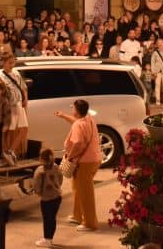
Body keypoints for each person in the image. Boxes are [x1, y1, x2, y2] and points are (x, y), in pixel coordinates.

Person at [57, 98, 102, 233]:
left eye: (73, 109)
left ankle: (89, 223)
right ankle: (77, 215)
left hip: (84, 162)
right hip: (94, 159)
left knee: (85, 193)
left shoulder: (78, 125)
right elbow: (76, 122)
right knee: (78, 188)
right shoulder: (88, 119)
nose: (72, 110)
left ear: (76, 111)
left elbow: (78, 143)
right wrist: (64, 116)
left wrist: (69, 156)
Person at [0, 50, 29, 164]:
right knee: (9, 131)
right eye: (9, 63)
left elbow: (23, 87)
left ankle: (11, 151)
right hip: (9, 106)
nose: (12, 65)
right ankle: (5, 154)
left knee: (24, 129)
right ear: (4, 63)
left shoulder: (16, 72)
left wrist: (25, 99)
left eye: (13, 62)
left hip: (19, 103)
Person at [32, 147, 64, 248]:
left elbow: (36, 185)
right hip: (57, 197)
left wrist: (38, 192)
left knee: (47, 219)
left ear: (41, 158)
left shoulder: (40, 171)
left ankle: (47, 239)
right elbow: (60, 179)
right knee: (52, 218)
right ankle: (50, 238)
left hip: (46, 199)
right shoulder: (56, 167)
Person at [148, 37, 163, 103]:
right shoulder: (155, 53)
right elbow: (152, 62)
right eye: (158, 43)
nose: (160, 44)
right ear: (156, 44)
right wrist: (153, 72)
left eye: (161, 42)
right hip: (157, 71)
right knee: (157, 85)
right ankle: (157, 100)